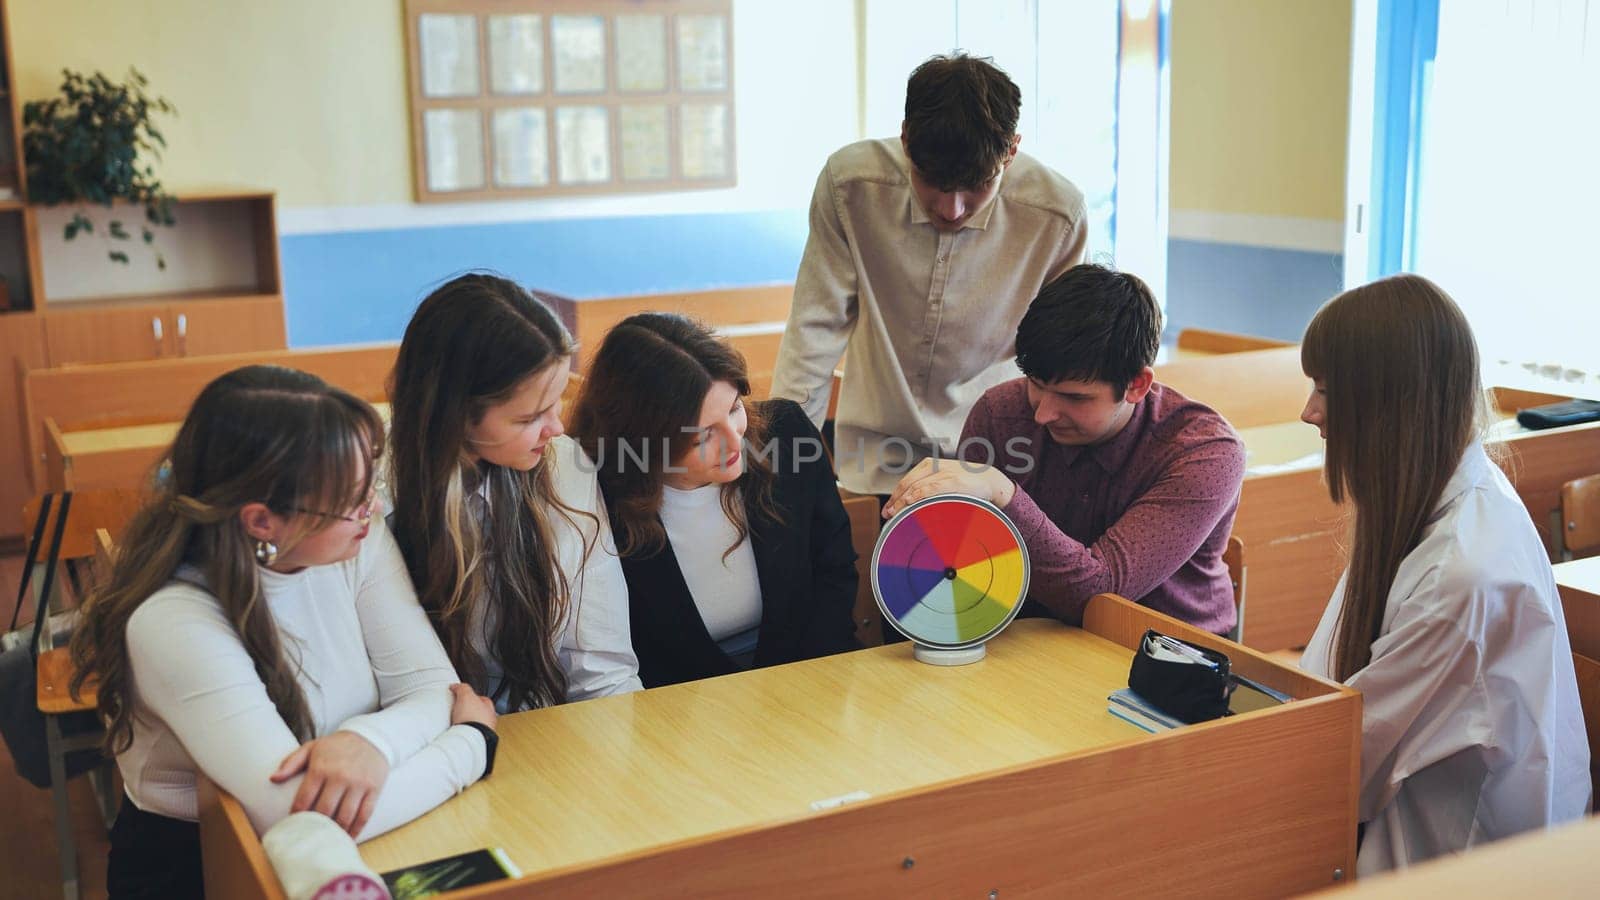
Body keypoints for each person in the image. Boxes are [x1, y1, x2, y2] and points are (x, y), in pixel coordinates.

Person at [70, 366, 496, 898]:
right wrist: (472, 745)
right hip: (202, 870)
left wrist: (368, 743)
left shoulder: (351, 541)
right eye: (354, 502)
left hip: (369, 831)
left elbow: (435, 688)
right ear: (261, 522)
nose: (375, 510)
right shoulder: (173, 621)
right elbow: (303, 820)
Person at [1296, 274, 1589, 874]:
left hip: (1465, 866)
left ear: (1387, 404)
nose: (1309, 412)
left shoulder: (1459, 574)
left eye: (1326, 391)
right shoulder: (1443, 497)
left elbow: (1340, 764)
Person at [771, 52, 1089, 497]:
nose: (951, 209)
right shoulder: (850, 186)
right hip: (880, 452)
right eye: (932, 183)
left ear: (1011, 150)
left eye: (977, 186)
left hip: (1003, 456)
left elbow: (1066, 358)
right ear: (905, 141)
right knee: (885, 566)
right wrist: (786, 460)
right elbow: (814, 330)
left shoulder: (1058, 215)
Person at [885, 264, 1244, 635]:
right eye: (1036, 384)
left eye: (1074, 397)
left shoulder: (1206, 452)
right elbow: (959, 566)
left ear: (1137, 385)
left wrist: (1002, 492)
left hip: (1172, 659)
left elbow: (1101, 596)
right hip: (1031, 645)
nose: (1043, 414)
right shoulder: (999, 413)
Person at [387, 273, 641, 714]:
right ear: (457, 416)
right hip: (421, 736)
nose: (557, 428)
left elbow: (601, 667)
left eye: (558, 401)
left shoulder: (565, 465)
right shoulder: (372, 499)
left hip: (544, 730)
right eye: (529, 417)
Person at [567, 314, 859, 687]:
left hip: (809, 678)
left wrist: (804, 689)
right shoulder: (596, 494)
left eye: (734, 408)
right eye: (703, 436)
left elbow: (834, 573)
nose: (736, 443)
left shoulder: (787, 437)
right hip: (678, 707)